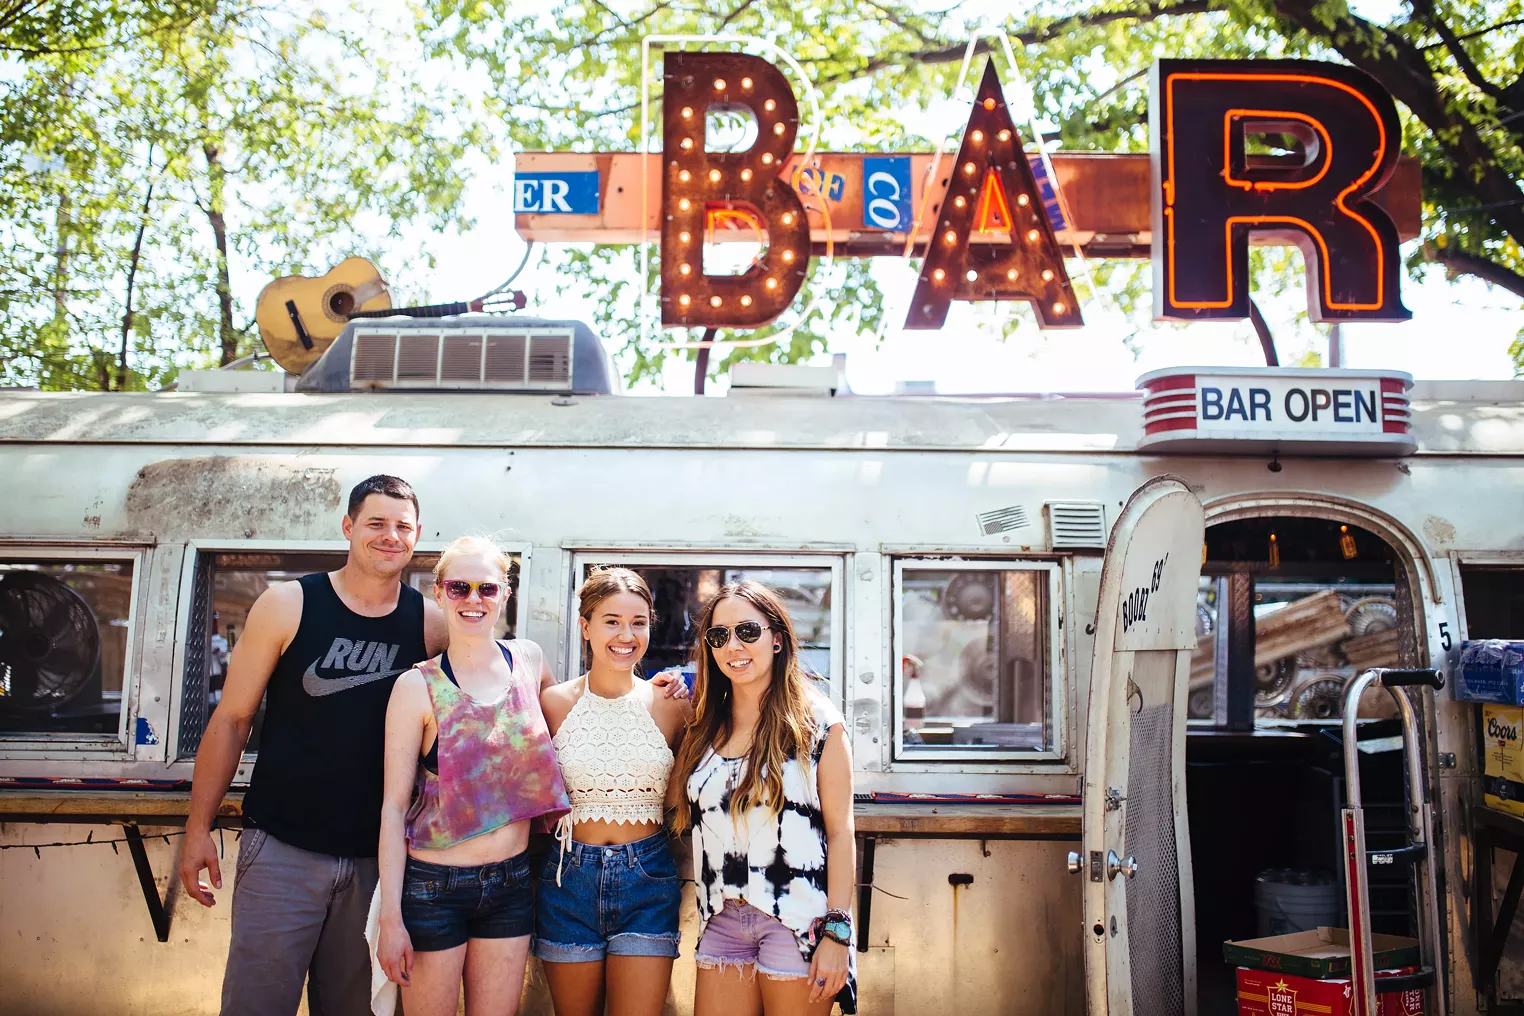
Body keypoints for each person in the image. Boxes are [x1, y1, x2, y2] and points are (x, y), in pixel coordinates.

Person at [177, 474, 446, 1016]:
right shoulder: (288, 604)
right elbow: (231, 720)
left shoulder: (431, 624)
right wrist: (198, 828)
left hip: (379, 862)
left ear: (416, 536)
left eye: (403, 526)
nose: (390, 536)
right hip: (282, 848)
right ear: (348, 527)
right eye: (376, 523)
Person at [376, 536, 569, 1016]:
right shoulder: (416, 686)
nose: (473, 600)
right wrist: (391, 919)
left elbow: (574, 705)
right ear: (439, 593)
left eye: (486, 588)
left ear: (505, 593)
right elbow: (394, 808)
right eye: (459, 588)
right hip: (432, 889)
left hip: (511, 885)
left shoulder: (528, 660)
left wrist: (656, 686)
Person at [669, 581, 857, 1016]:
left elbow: (841, 832)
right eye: (719, 636)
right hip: (721, 920)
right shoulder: (703, 726)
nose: (733, 645)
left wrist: (837, 934)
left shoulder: (818, 724)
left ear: (777, 639)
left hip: (798, 922)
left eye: (747, 632)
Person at [535, 567, 692, 1016]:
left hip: (648, 879)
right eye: (611, 621)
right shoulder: (552, 703)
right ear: (585, 626)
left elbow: (684, 795)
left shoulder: (672, 705)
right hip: (568, 879)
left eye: (638, 621)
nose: (626, 634)